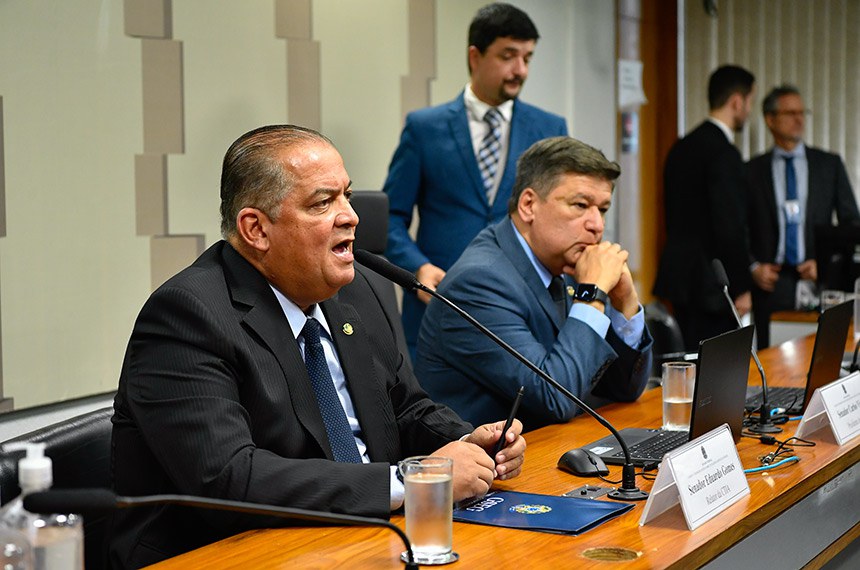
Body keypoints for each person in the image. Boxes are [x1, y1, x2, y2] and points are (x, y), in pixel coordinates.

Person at [109, 125, 526, 567]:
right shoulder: (187, 315)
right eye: (323, 202)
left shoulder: (355, 290)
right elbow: (228, 478)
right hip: (225, 554)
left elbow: (405, 408)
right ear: (256, 229)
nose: (350, 216)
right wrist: (412, 481)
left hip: (357, 539)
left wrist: (468, 442)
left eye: (346, 195)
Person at [415, 136, 653, 431]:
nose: (597, 225)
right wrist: (592, 294)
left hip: (549, 450)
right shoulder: (479, 281)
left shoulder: (565, 265)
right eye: (580, 205)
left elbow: (622, 389)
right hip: (488, 467)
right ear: (529, 204)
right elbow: (556, 398)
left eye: (602, 209)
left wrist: (625, 301)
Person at [383, 2, 568, 359]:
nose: (520, 70)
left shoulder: (549, 129)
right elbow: (391, 217)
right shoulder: (424, 128)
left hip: (521, 312)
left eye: (528, 58)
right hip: (439, 309)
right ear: (475, 55)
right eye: (508, 56)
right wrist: (416, 268)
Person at [746, 85, 860, 348]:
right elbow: (739, 227)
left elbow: (851, 225)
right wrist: (752, 267)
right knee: (771, 364)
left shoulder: (828, 165)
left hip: (816, 282)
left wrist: (828, 266)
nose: (799, 119)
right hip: (771, 286)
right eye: (790, 113)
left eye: (802, 112)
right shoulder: (751, 170)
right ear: (770, 119)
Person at [653, 65, 756, 351]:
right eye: (749, 102)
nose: (748, 110)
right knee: (715, 374)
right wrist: (741, 286)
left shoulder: (681, 147)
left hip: (679, 278)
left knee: (685, 364)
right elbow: (730, 227)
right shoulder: (724, 153)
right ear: (737, 101)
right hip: (713, 285)